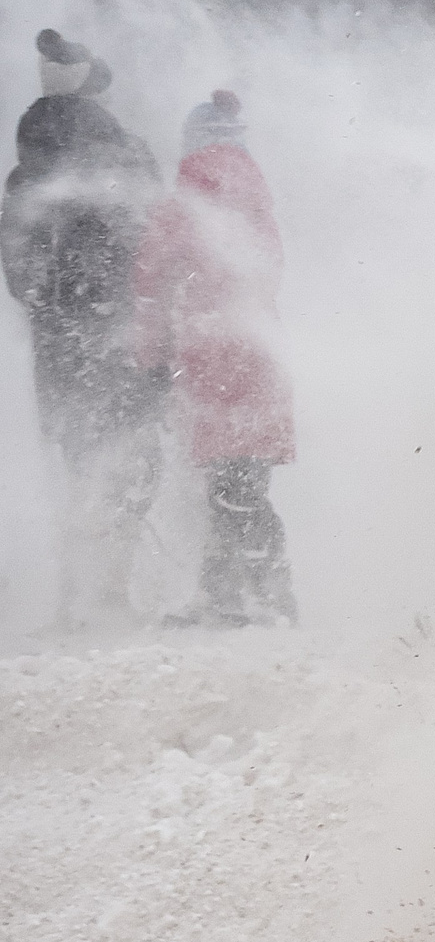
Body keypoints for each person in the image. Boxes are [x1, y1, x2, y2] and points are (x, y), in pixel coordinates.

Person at [1, 30, 164, 627]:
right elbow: (156, 237)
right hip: (126, 332)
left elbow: (20, 274)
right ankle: (117, 590)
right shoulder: (129, 155)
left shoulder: (25, 176)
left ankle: (74, 597)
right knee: (131, 455)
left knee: (75, 459)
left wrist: (52, 307)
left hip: (61, 342)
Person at [130, 91, 297, 627]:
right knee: (241, 481)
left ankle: (270, 602)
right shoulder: (258, 199)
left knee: (233, 487)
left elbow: (150, 281)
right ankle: (228, 597)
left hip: (214, 356)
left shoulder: (186, 199)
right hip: (261, 357)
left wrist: (150, 359)